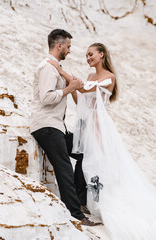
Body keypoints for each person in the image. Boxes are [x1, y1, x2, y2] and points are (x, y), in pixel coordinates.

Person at [48, 42, 156, 240]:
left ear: (101, 54)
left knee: (92, 163)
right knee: (83, 160)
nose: (88, 58)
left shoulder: (109, 78)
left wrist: (61, 70)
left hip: (99, 129)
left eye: (91, 55)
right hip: (85, 127)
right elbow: (82, 101)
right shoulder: (90, 76)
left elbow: (88, 88)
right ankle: (80, 201)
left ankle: (88, 202)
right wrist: (72, 88)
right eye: (86, 56)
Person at [30, 29, 101, 226]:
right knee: (64, 167)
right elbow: (46, 98)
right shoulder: (47, 67)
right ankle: (76, 215)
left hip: (57, 126)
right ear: (59, 45)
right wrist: (69, 89)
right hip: (46, 125)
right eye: (68, 46)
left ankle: (79, 201)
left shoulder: (55, 67)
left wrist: (70, 83)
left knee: (83, 152)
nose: (70, 50)